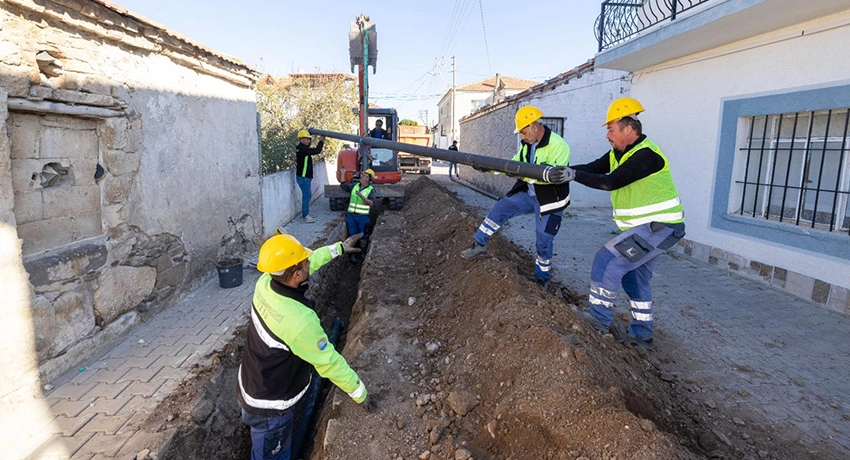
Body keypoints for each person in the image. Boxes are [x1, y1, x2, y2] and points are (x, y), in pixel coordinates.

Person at [564, 97, 686, 351]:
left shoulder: (647, 156)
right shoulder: (619, 153)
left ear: (628, 129)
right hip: (649, 230)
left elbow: (610, 182)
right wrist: (562, 170)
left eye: (611, 128)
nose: (608, 135)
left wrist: (573, 175)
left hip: (659, 227)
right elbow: (592, 168)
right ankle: (642, 334)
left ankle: (597, 320)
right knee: (634, 279)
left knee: (606, 260)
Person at [239, 232, 373, 460]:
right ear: (296, 274)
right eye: (305, 262)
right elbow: (329, 362)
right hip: (271, 406)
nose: (309, 262)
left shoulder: (265, 283)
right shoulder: (299, 322)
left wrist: (339, 248)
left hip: (253, 381)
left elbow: (310, 262)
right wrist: (359, 392)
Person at [460, 106, 571, 289]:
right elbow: (513, 165)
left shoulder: (558, 146)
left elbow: (548, 178)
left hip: (550, 200)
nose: (522, 136)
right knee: (501, 207)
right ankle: (479, 244)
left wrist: (520, 175)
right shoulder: (528, 145)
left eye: (523, 132)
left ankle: (542, 279)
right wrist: (488, 167)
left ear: (534, 127)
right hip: (530, 193)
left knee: (543, 240)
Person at [339, 168, 376, 263]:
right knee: (352, 235)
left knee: (363, 235)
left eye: (365, 176)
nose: (362, 176)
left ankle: (363, 253)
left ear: (369, 179)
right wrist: (343, 173)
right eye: (362, 174)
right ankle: (352, 254)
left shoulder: (371, 190)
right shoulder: (355, 186)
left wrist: (361, 196)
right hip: (352, 216)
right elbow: (343, 186)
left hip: (363, 217)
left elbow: (371, 203)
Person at [295, 130, 325, 223]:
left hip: (302, 177)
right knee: (307, 196)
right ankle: (305, 216)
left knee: (307, 195)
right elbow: (317, 150)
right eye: (307, 139)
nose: (309, 141)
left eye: (309, 139)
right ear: (301, 139)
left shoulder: (300, 148)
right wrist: (321, 141)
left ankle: (306, 214)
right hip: (304, 178)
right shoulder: (303, 150)